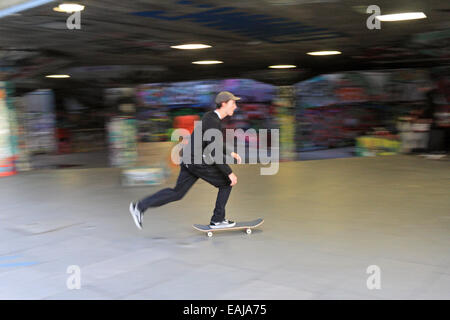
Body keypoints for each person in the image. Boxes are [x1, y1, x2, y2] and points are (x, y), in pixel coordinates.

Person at [129, 91, 242, 230]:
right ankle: (217, 220)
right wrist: (229, 172)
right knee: (226, 183)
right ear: (224, 104)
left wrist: (230, 152)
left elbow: (214, 144)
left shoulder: (210, 117)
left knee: (177, 193)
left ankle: (139, 206)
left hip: (189, 159)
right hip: (196, 161)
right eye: (233, 103)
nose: (235, 107)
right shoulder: (212, 121)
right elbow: (215, 151)